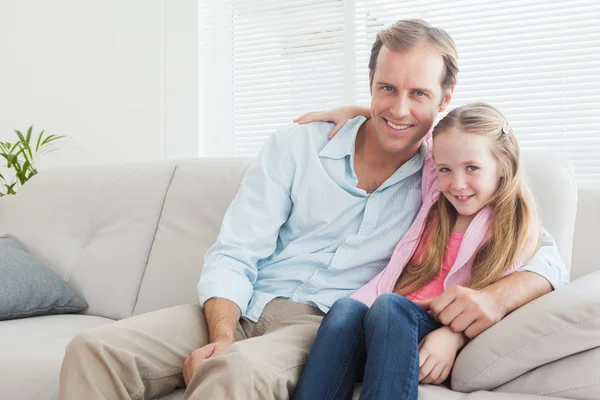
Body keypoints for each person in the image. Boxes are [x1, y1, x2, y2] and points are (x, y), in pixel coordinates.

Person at [58, 20, 568, 400]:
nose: (399, 108)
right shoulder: (295, 146)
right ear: (369, 81)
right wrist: (222, 334)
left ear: (444, 99)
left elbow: (542, 256)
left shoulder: (447, 173)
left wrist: (490, 305)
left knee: (232, 375)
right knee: (93, 351)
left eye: (419, 94)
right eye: (386, 88)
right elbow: (235, 252)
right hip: (242, 306)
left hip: (324, 324)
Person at [292, 102, 542, 400]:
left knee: (389, 306)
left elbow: (505, 306)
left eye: (472, 168)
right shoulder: (435, 198)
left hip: (423, 322)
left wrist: (454, 335)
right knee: (346, 308)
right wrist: (363, 112)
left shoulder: (513, 231)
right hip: (383, 323)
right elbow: (411, 128)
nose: (457, 184)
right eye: (445, 169)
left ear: (503, 165)